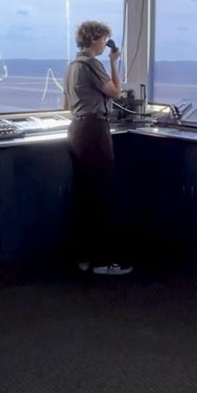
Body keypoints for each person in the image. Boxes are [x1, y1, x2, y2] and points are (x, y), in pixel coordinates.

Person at [63, 20, 132, 276]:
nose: (106, 44)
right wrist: (114, 63)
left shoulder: (72, 66)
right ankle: (103, 261)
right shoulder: (92, 64)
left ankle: (84, 257)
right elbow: (115, 93)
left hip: (77, 130)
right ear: (95, 39)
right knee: (101, 194)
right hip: (94, 130)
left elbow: (65, 104)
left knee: (85, 195)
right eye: (104, 39)